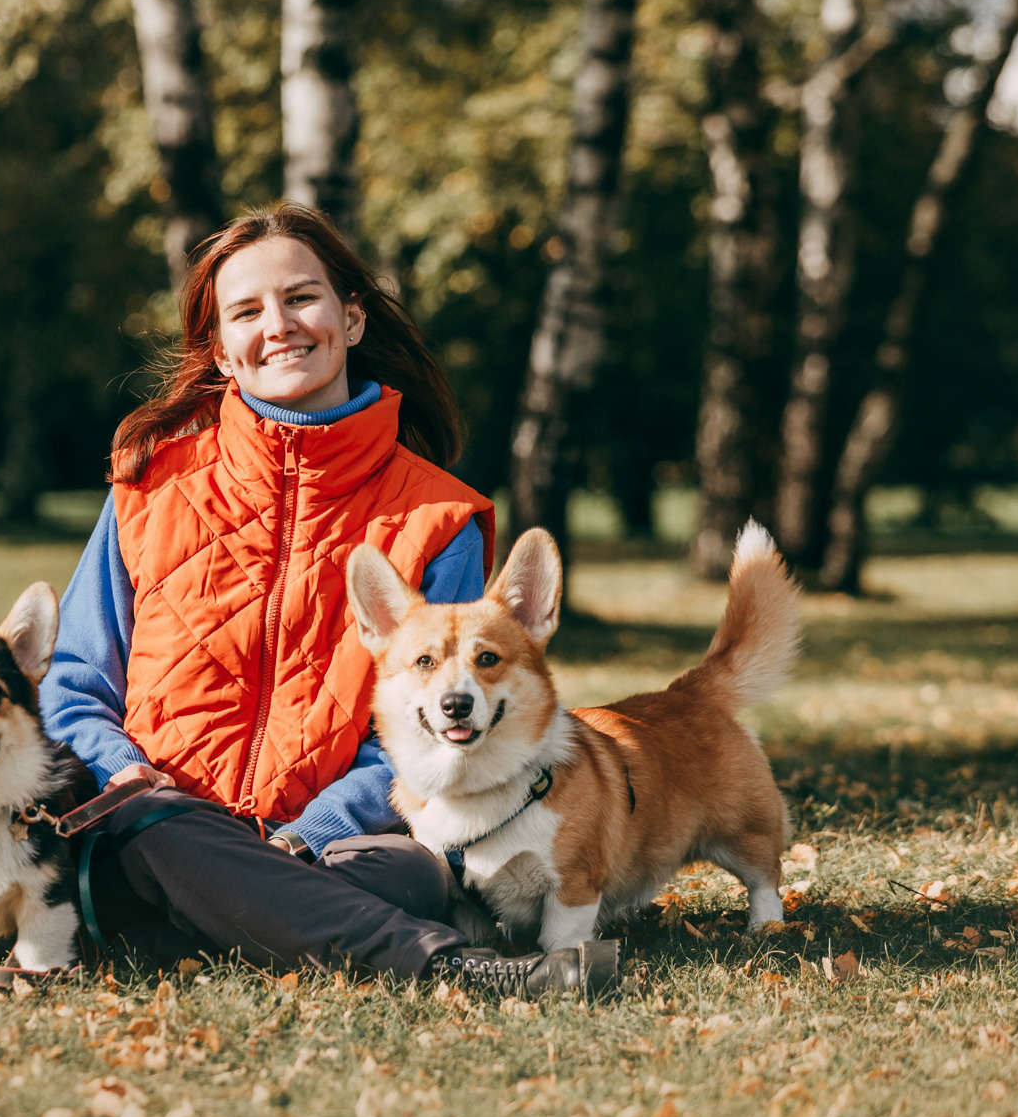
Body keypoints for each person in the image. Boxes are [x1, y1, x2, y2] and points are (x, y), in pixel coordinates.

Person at [39, 203, 617, 997]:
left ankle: (216, 920)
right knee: (165, 837)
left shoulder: (437, 518)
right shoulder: (152, 483)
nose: (278, 325)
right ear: (221, 353)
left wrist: (310, 836)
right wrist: (127, 776)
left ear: (350, 318)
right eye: (246, 311)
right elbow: (73, 683)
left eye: (301, 298)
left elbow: (431, 732)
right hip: (149, 822)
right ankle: (457, 968)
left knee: (410, 876)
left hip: (333, 848)